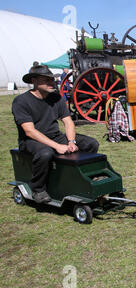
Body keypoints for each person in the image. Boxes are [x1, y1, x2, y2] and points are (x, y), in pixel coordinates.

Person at [11, 65, 99, 204]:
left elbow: (68, 122)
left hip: (56, 136)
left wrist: (71, 142)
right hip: (30, 141)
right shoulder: (21, 101)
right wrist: (57, 146)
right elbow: (29, 131)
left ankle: (75, 178)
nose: (52, 83)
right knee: (45, 153)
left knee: (91, 143)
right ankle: (38, 189)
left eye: (52, 80)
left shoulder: (56, 98)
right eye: (47, 80)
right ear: (34, 81)